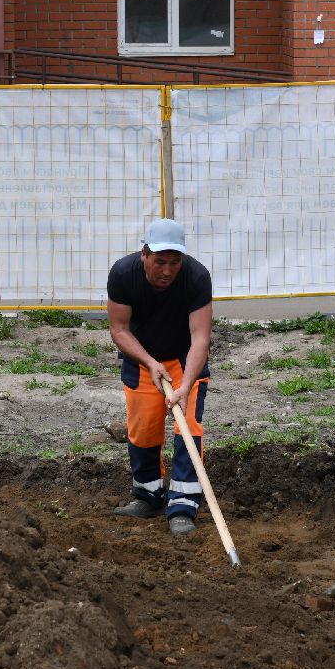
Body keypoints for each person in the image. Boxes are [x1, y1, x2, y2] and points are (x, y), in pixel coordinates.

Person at [106, 218, 212, 536]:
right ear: (144, 255)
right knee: (142, 430)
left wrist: (185, 384)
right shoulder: (123, 275)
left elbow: (200, 339)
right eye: (160, 262)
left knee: (188, 429)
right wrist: (151, 363)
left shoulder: (196, 277)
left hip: (184, 360)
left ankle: (183, 506)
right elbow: (119, 330)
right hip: (142, 360)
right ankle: (148, 495)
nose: (167, 270)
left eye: (174, 262)